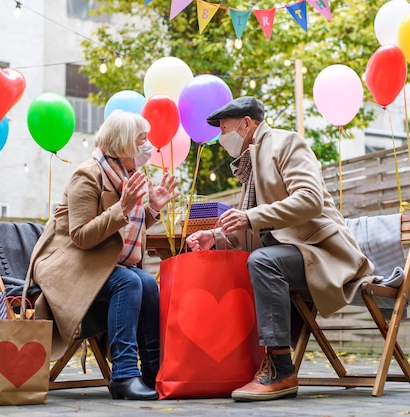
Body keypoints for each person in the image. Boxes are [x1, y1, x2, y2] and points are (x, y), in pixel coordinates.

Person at [186, 96, 374, 402]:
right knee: (254, 262)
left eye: (224, 127)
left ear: (247, 123)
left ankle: (281, 369)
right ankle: (252, 362)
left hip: (322, 251)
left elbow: (309, 200)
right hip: (290, 253)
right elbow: (259, 230)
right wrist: (217, 237)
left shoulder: (287, 143)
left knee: (262, 262)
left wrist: (248, 217)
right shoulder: (250, 165)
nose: (221, 136)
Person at [24, 110, 178, 401]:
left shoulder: (127, 176)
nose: (148, 146)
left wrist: (152, 209)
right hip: (71, 267)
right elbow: (81, 236)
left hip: (102, 264)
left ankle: (153, 371)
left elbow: (123, 229)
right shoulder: (88, 174)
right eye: (142, 139)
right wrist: (123, 207)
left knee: (146, 281)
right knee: (129, 282)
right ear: (123, 143)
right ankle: (123, 375)